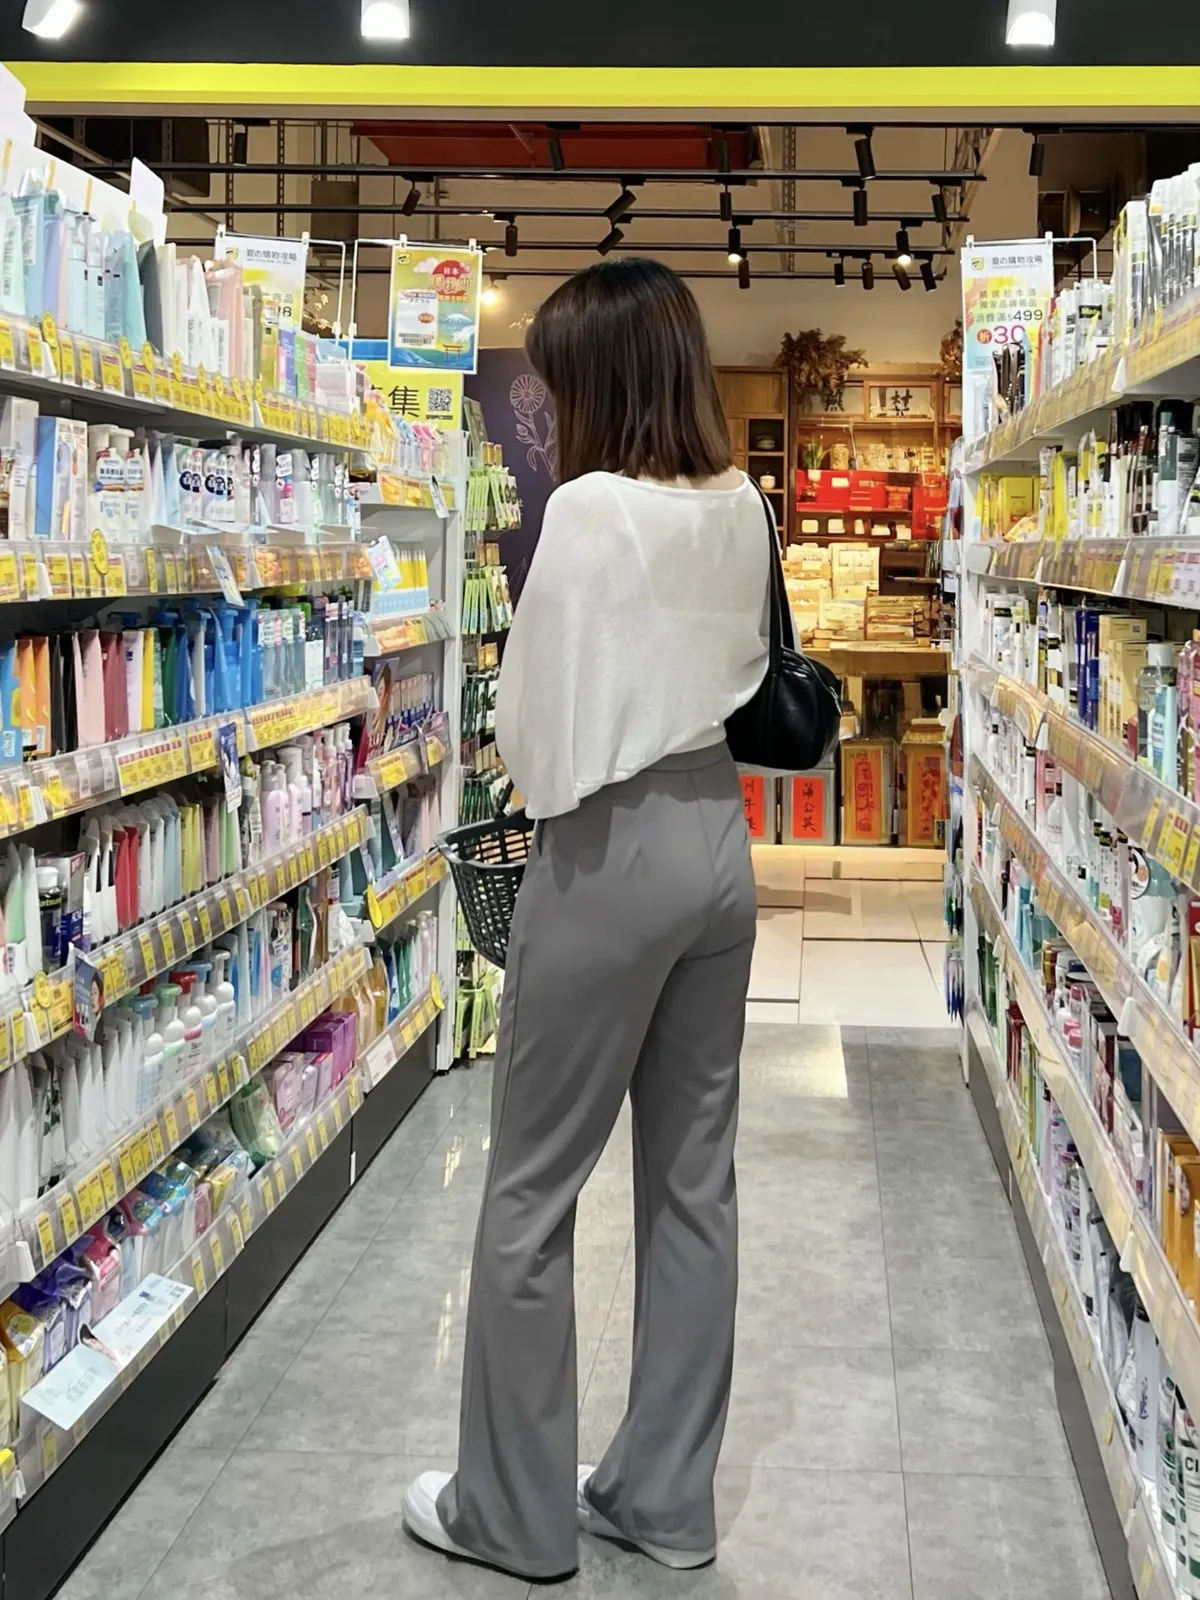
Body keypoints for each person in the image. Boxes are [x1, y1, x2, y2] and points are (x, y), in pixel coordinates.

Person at [403, 257, 771, 1580]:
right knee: (694, 1185)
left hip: (609, 849)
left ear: (599, 382)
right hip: (718, 841)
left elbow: (537, 734)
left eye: (560, 386)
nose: (550, 411)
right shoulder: (744, 501)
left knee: (529, 1187)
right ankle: (663, 1502)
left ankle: (510, 1515)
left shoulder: (590, 510)